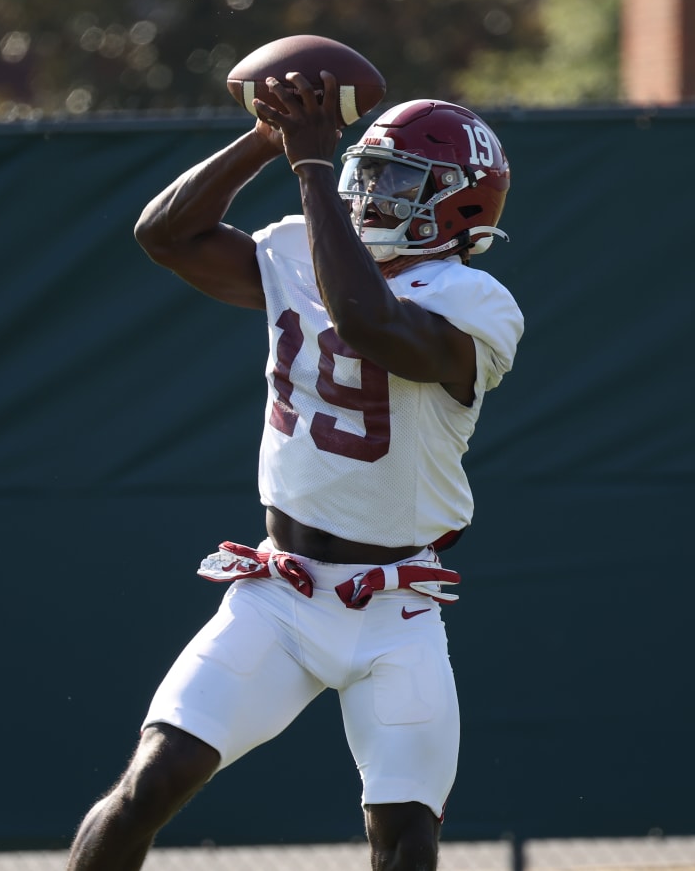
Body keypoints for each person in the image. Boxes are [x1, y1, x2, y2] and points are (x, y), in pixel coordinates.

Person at [65, 71, 524, 871]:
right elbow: (164, 236)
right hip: (279, 591)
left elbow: (369, 323)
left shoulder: (475, 301)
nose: (373, 193)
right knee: (151, 783)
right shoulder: (299, 248)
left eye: (400, 180)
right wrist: (266, 140)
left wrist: (313, 168)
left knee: (406, 841)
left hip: (395, 609)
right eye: (368, 172)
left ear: (462, 204)